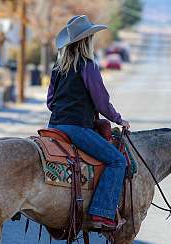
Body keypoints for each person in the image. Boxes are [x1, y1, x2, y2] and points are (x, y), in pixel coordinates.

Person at [47, 15, 130, 230]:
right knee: (117, 161)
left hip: (53, 127)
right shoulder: (88, 66)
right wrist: (119, 120)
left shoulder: (58, 68)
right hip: (77, 128)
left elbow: (50, 101)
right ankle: (101, 214)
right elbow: (102, 102)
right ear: (87, 41)